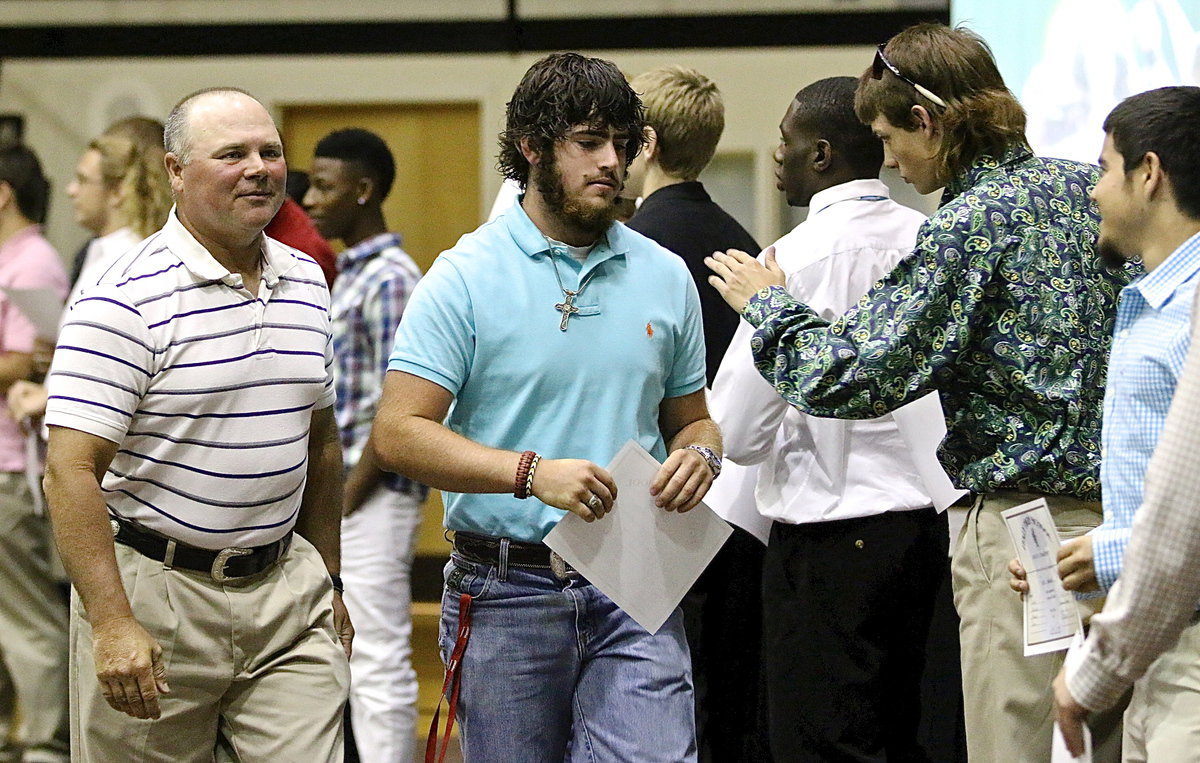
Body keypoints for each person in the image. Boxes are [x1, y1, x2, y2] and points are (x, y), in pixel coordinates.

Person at [705, 23, 1137, 762]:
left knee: (1018, 744)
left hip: (1020, 538)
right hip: (1118, 529)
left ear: (927, 121)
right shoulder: (1085, 191)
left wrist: (767, 304)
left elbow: (859, 374)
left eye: (890, 135)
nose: (894, 163)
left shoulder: (969, 224)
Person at [371, 52, 720, 762]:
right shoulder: (465, 276)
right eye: (589, 142)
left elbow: (692, 418)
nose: (611, 162)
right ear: (532, 146)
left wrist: (701, 454)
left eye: (623, 145)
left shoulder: (664, 274)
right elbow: (398, 433)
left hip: (634, 576)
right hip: (505, 589)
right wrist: (530, 473)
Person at [42, 87, 352, 762]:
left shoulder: (306, 279)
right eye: (232, 153)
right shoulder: (122, 298)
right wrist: (112, 620)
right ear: (175, 171)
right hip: (154, 590)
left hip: (285, 594)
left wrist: (329, 578)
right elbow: (69, 469)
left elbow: (320, 440)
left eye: (270, 151)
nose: (259, 167)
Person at [712, 75, 948, 761]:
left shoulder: (786, 262)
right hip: (924, 536)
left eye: (784, 142)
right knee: (909, 736)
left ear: (820, 155)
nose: (775, 156)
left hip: (822, 542)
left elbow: (741, 433)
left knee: (821, 741)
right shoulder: (930, 241)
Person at [1024, 86, 1200, 760]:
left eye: (1104, 168)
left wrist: (1113, 552)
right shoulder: (1154, 298)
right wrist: (1105, 547)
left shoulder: (1189, 304)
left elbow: (1192, 512)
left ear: (1149, 173)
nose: (1094, 191)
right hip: (1158, 645)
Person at [621, 64, 767, 761]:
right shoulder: (744, 241)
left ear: (643, 142)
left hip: (652, 501)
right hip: (741, 506)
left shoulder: (631, 254)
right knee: (727, 704)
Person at [302, 127, 425, 763]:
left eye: (325, 186)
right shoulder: (348, 273)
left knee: (377, 655)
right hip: (346, 492)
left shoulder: (392, 280)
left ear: (364, 190)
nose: (312, 199)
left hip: (373, 492)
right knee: (343, 652)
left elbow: (396, 406)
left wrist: (346, 495)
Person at [8, 120, 172, 426]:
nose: (71, 191)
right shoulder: (98, 253)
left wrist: (51, 396)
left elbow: (115, 368)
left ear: (117, 191)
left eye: (82, 180)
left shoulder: (126, 262)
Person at [0, 144, 70, 763]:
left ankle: (47, 744)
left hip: (12, 464)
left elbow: (27, 360)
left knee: (28, 619)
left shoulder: (31, 263)